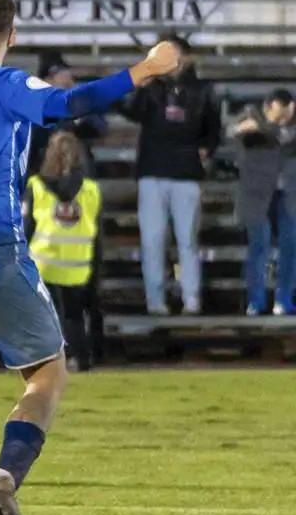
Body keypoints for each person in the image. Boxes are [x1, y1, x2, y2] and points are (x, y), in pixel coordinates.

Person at [0, 0, 180, 515]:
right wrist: (146, 70)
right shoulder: (4, 84)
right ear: (12, 35)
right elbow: (68, 103)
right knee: (48, 374)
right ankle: (3, 483)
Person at [122, 35, 220, 315]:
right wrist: (146, 79)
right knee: (152, 240)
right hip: (152, 171)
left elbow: (214, 129)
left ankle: (191, 298)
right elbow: (131, 111)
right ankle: (156, 300)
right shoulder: (152, 88)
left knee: (187, 240)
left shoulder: (202, 89)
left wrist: (206, 149)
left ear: (187, 57)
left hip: (187, 173)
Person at [24, 131, 102, 372]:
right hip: (78, 262)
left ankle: (47, 361)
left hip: (45, 260)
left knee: (45, 315)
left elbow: (27, 227)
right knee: (74, 315)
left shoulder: (36, 186)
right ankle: (80, 358)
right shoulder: (90, 189)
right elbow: (97, 228)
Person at [229, 89, 296, 316]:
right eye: (279, 115)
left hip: (288, 195)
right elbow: (232, 131)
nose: (284, 120)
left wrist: (267, 127)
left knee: (290, 248)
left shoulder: (281, 127)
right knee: (259, 247)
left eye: (287, 115)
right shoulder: (248, 115)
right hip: (256, 195)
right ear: (267, 108)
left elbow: (283, 136)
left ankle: (283, 300)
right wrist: (243, 128)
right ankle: (256, 302)